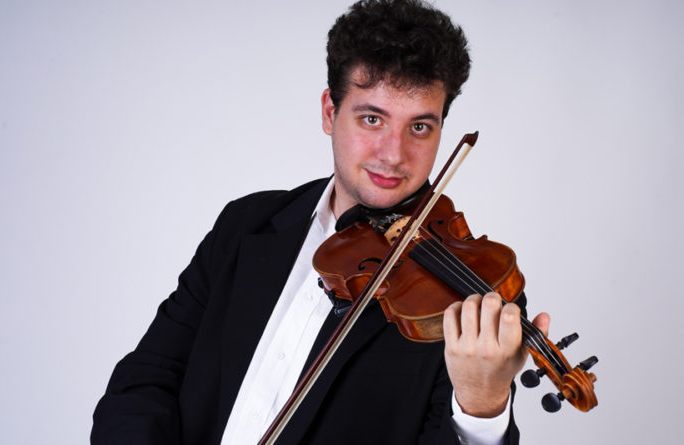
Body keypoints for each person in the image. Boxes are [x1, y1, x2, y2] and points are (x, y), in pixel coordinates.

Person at [92, 1, 550, 443]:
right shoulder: (244, 225)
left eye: (419, 127)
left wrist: (481, 407)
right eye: (372, 119)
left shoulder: (469, 295)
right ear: (330, 112)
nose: (394, 155)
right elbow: (146, 381)